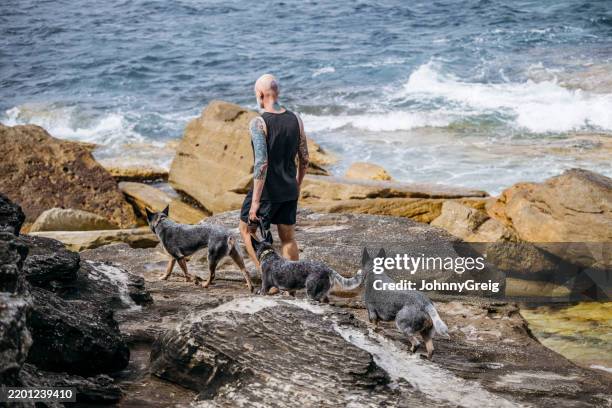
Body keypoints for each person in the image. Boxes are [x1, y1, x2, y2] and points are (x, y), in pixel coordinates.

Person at [239, 74, 309, 274]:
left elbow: (262, 163)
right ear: (277, 93)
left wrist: (255, 202)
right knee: (288, 238)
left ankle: (270, 280)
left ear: (260, 94)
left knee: (246, 231)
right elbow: (304, 158)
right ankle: (293, 282)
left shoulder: (259, 123)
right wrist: (297, 184)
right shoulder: (296, 119)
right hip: (289, 188)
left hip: (267, 192)